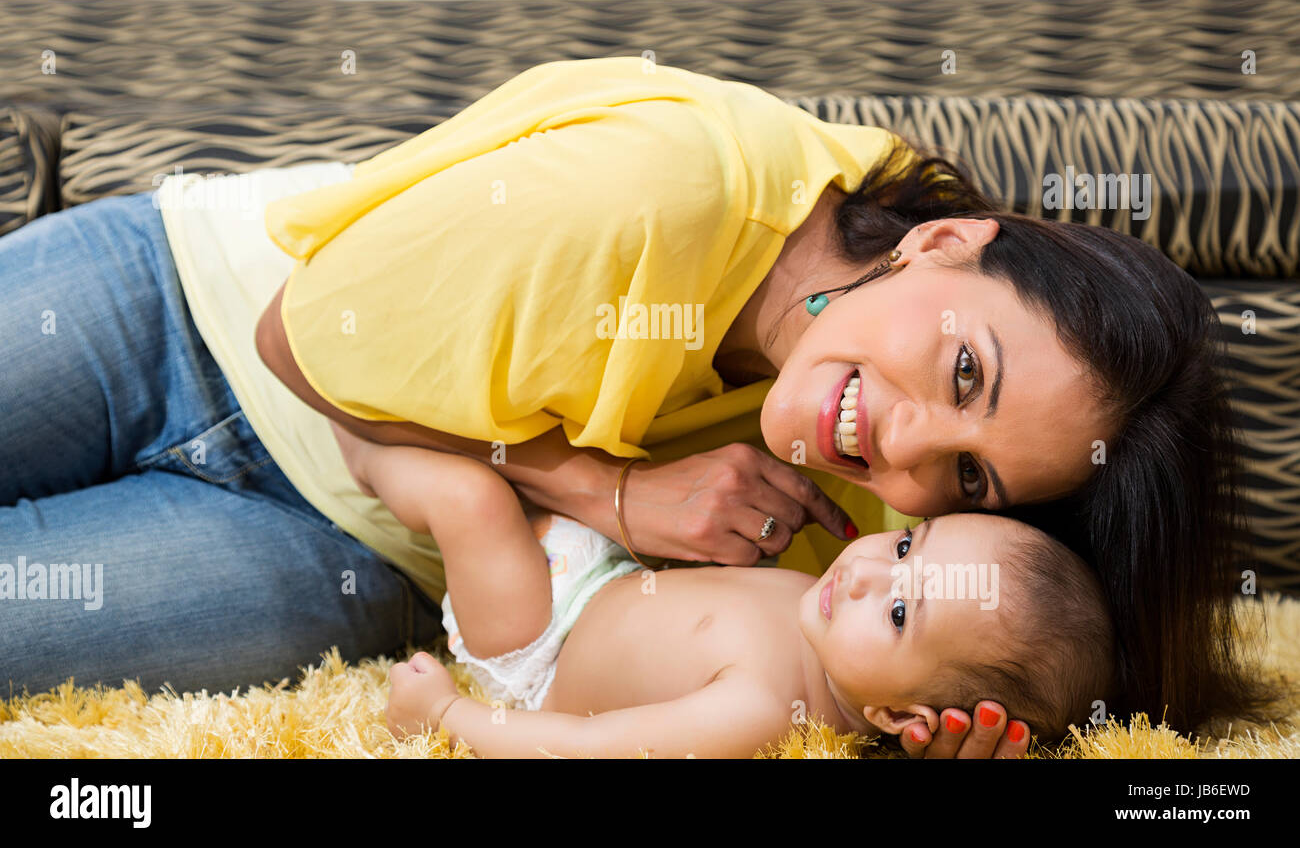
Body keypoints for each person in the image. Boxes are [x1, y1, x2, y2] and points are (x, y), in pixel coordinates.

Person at [1, 57, 1272, 759]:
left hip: (333, 544)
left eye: (974, 478)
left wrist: (951, 734)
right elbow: (305, 336)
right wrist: (609, 491)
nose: (900, 454)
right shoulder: (665, 192)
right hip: (186, 311)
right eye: (962, 376)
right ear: (939, 242)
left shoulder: (886, 514)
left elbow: (931, 636)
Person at [363, 427, 1115, 757]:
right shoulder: (823, 616)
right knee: (497, 460)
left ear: (894, 716)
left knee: (467, 500)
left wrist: (447, 716)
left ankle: (351, 436)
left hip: (540, 648)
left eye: (896, 613)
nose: (863, 571)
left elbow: (585, 747)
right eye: (911, 545)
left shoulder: (763, 709)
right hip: (603, 573)